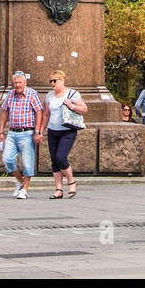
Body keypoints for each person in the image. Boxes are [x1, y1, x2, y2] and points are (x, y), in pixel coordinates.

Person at [0, 71, 45, 199]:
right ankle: (20, 180)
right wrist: (1, 131)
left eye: (20, 82)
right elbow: (5, 112)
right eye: (15, 83)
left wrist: (38, 131)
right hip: (12, 132)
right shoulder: (10, 94)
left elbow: (39, 112)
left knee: (27, 162)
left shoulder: (31, 94)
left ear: (25, 83)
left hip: (27, 132)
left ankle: (25, 189)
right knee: (7, 159)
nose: (17, 85)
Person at [44, 70, 87, 198]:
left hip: (67, 130)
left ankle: (71, 182)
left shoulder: (72, 93)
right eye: (50, 81)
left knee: (60, 157)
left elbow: (84, 109)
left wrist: (71, 105)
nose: (52, 83)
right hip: (52, 130)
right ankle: (58, 189)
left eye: (55, 80)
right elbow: (46, 114)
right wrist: (40, 130)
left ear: (62, 81)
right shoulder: (49, 95)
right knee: (54, 161)